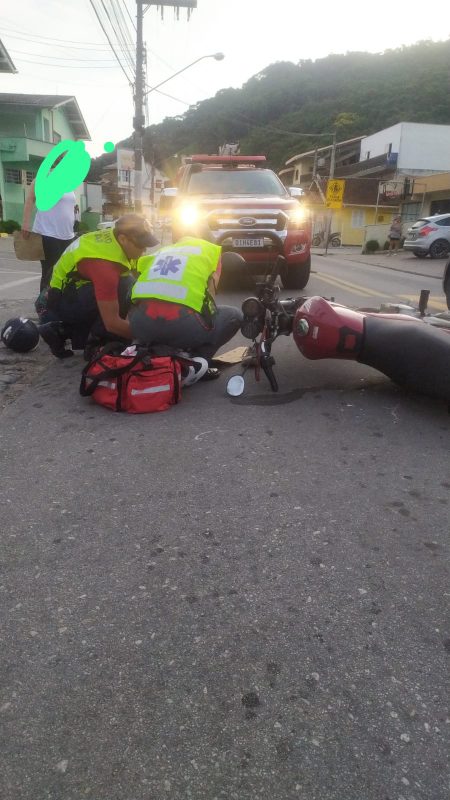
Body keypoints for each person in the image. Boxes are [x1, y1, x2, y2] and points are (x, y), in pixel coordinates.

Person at [38, 214, 158, 359]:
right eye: (141, 245)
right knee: (125, 287)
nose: (144, 250)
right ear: (123, 239)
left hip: (66, 295)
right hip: (52, 304)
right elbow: (112, 323)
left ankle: (60, 330)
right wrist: (152, 338)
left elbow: (140, 277)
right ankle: (97, 344)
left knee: (129, 288)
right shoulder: (104, 264)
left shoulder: (116, 241)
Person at [128, 236, 243, 378]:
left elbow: (134, 290)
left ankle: (152, 349)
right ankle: (195, 365)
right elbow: (209, 304)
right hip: (181, 326)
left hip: (140, 326)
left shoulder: (162, 251)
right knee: (234, 315)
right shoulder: (211, 251)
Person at [22, 179, 77, 291]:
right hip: (47, 233)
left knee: (66, 271)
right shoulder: (43, 178)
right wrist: (25, 223)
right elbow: (30, 199)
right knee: (50, 271)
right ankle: (44, 304)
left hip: (67, 235)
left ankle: (58, 302)